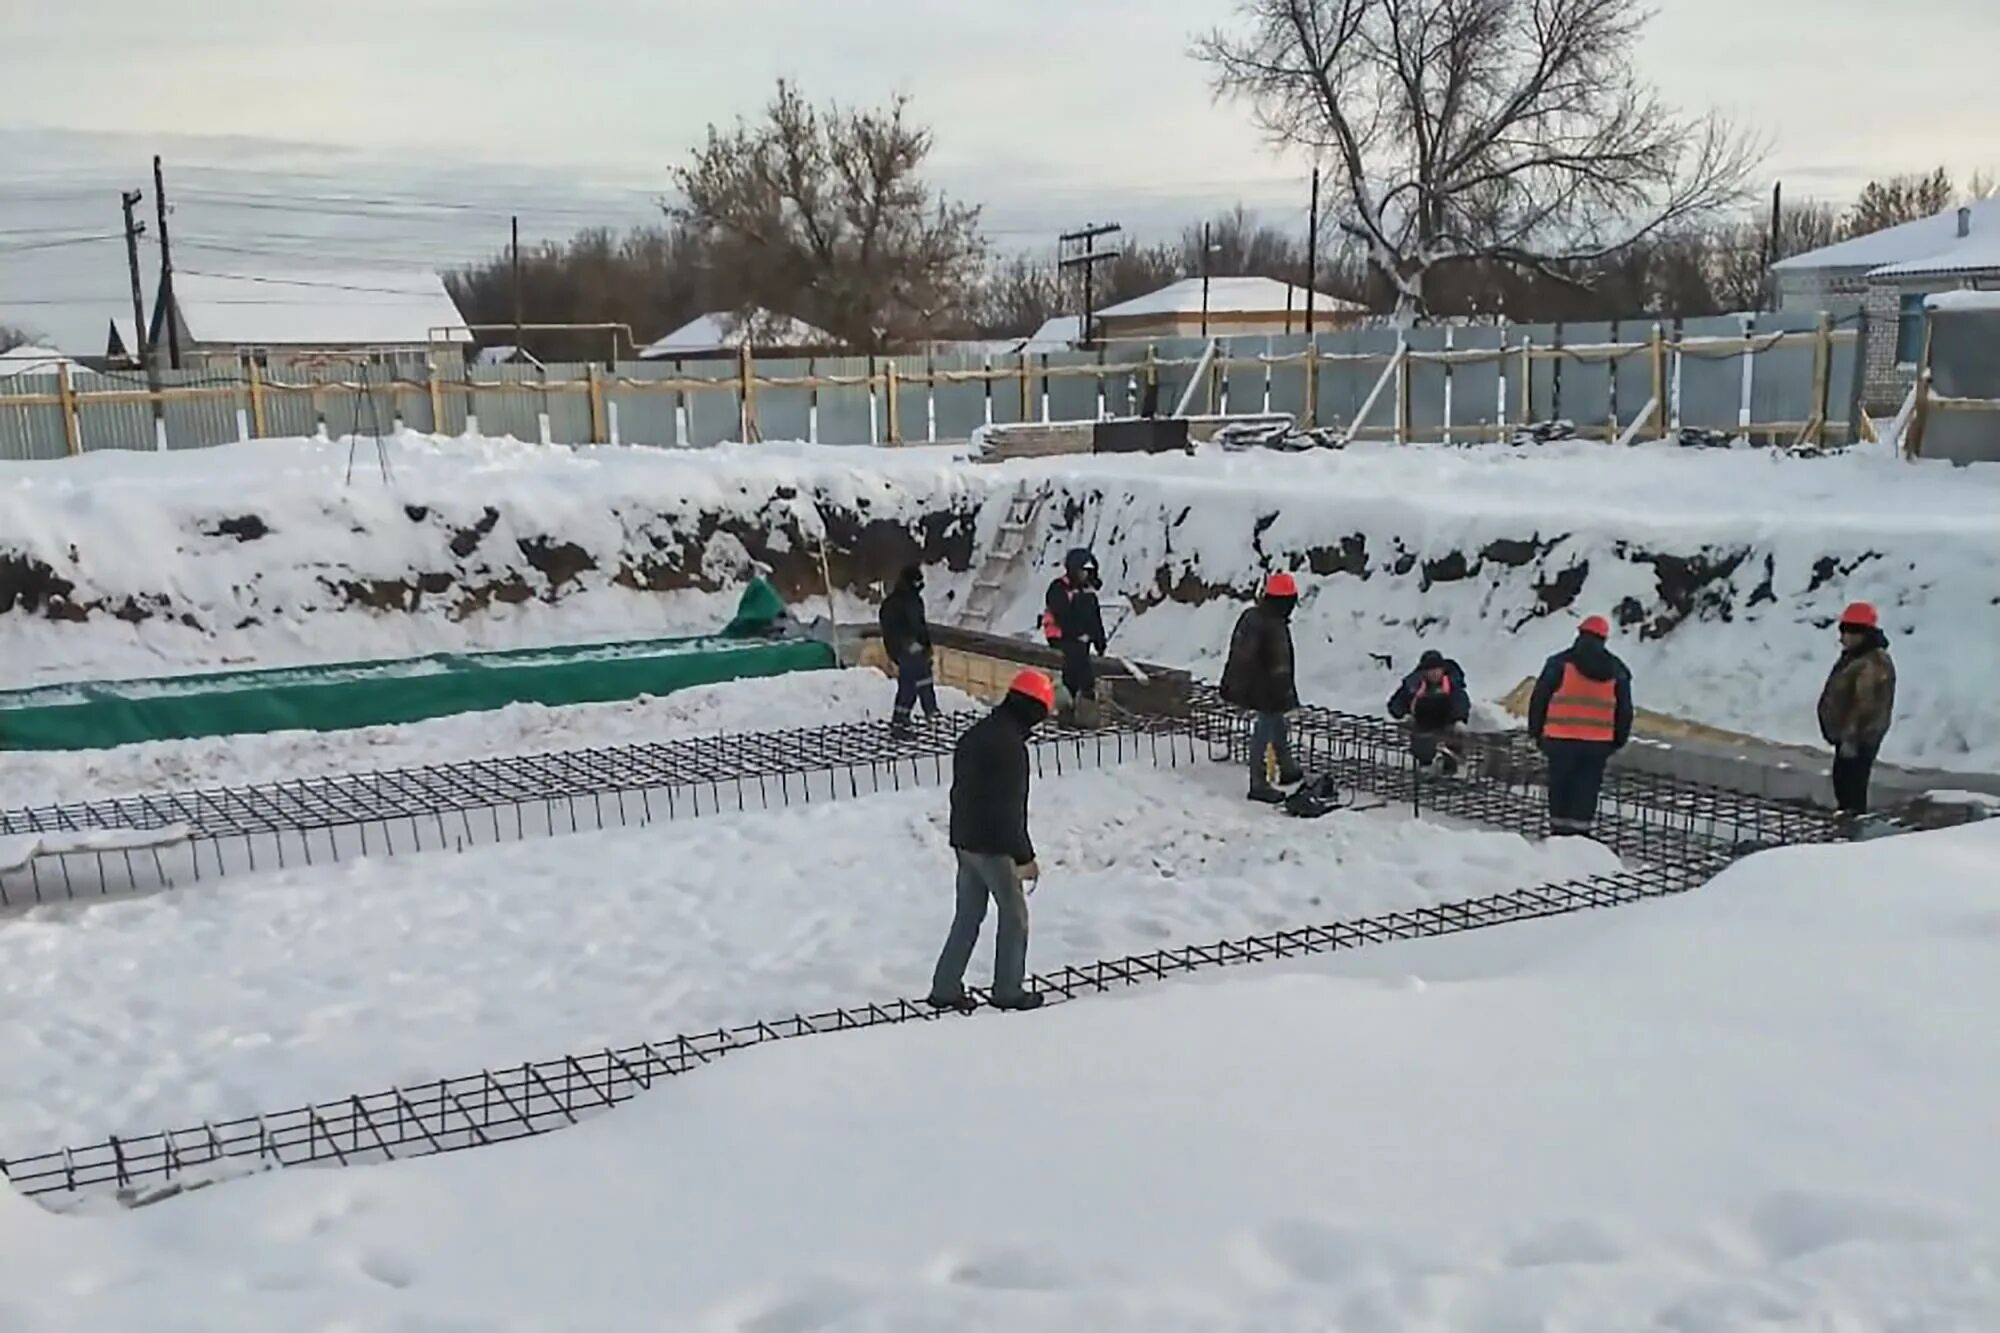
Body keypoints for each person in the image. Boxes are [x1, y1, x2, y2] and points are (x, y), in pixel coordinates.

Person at [928, 669, 1055, 1013]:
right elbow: (1010, 810)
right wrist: (1023, 857)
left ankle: (945, 987)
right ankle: (1008, 990)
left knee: (968, 915)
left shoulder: (976, 735)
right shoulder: (1011, 748)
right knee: (1014, 917)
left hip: (965, 839)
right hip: (992, 846)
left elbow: (962, 792)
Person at [1527, 615, 1633, 837]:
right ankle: (1580, 835)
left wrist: (1536, 733)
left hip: (1559, 739)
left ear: (1580, 634)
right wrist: (1618, 740)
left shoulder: (1558, 664)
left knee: (1560, 786)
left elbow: (1539, 699)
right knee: (1586, 788)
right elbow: (1624, 710)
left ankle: (1558, 832)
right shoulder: (1617, 669)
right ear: (1604, 639)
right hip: (1597, 744)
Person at [1220, 572, 1303, 803]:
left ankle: (1287, 768)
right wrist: (1288, 697)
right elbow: (1280, 668)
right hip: (1263, 686)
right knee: (1266, 726)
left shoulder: (1251, 615)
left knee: (1276, 721)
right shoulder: (1275, 625)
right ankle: (1258, 782)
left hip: (1244, 681)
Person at [1817, 600, 1896, 820]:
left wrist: (1851, 738)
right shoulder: (1856, 657)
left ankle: (1853, 829)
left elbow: (1867, 705)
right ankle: (1847, 823)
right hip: (1848, 737)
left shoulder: (1873, 662)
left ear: (1860, 633)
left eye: (1846, 631)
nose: (1841, 638)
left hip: (1859, 738)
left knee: (1852, 787)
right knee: (1843, 783)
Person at [1041, 548, 1107, 727]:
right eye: (1082, 571)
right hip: (1060, 636)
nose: (1084, 575)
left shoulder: (1086, 594)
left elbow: (1094, 618)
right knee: (1074, 668)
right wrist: (1078, 633)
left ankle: (1082, 706)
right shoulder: (1059, 588)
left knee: (1079, 666)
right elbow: (1061, 613)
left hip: (1080, 640)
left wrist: (1099, 640)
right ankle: (1070, 711)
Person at [878, 563, 939, 740]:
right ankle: (931, 713)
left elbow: (921, 626)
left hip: (917, 650)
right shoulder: (894, 604)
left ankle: (900, 721)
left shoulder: (915, 601)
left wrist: (926, 647)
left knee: (909, 686)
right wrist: (906, 645)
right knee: (922, 680)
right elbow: (892, 630)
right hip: (904, 652)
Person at [1388, 649, 1471, 774]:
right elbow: (1396, 703)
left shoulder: (1452, 684)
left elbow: (1460, 701)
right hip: (1422, 723)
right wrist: (1402, 715)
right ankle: (1426, 764)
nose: (1434, 673)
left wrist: (1459, 719)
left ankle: (1451, 765)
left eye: (1437, 669)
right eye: (1430, 670)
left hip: (1447, 722)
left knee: (1453, 738)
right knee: (1422, 742)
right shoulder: (1414, 685)